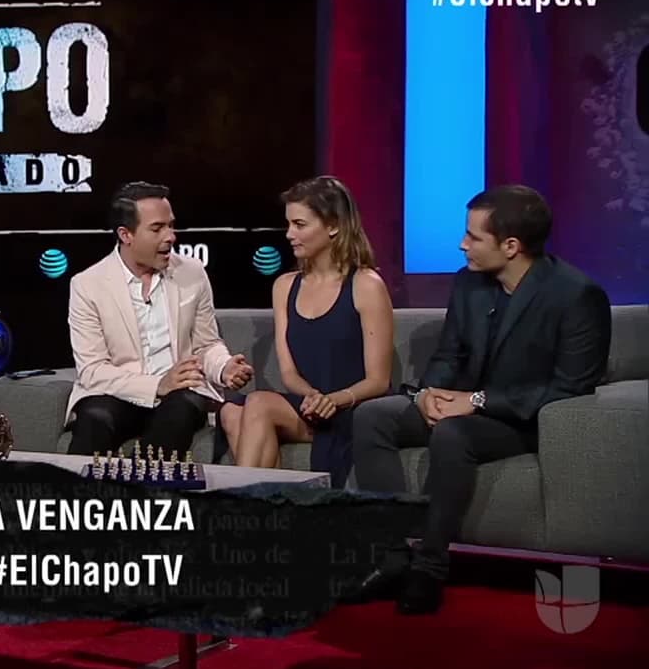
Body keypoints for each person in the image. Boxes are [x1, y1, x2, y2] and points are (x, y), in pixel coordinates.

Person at [348, 184, 612, 614]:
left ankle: (429, 567)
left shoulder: (576, 295)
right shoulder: (469, 283)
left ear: (511, 246)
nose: (462, 244)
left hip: (520, 419)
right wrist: (429, 393)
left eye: (473, 236)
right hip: (462, 405)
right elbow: (450, 354)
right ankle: (391, 557)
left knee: (453, 434)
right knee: (373, 416)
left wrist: (477, 400)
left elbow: (570, 387)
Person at [221, 176, 394, 487]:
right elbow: (289, 373)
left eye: (300, 225)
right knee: (232, 412)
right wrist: (312, 397)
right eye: (289, 224)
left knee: (257, 404)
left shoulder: (366, 285)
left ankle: (241, 506)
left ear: (333, 226)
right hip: (307, 403)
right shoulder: (284, 286)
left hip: (351, 407)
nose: (290, 234)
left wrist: (333, 400)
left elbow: (378, 381)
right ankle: (264, 505)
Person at [65, 181, 255, 458]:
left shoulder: (191, 273)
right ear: (126, 234)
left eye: (171, 226)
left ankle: (142, 484)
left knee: (181, 408)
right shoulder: (87, 285)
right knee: (95, 418)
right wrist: (156, 385)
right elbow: (92, 370)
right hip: (117, 394)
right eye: (157, 229)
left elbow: (206, 344)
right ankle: (74, 486)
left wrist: (223, 368)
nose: (171, 237)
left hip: (180, 395)